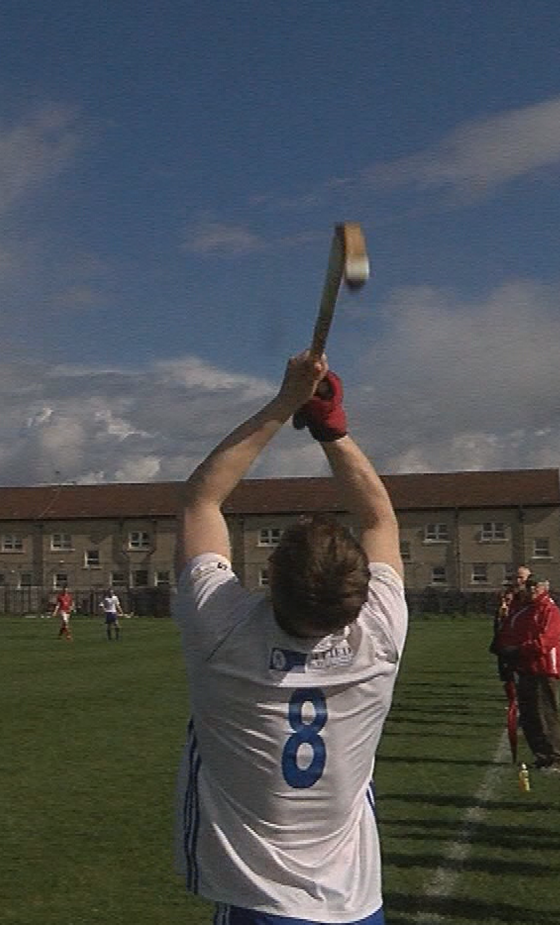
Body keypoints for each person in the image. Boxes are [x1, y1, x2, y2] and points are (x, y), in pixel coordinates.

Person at [173, 352, 406, 924]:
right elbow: (379, 519)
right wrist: (332, 428)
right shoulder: (380, 635)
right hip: (355, 907)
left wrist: (284, 402)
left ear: (270, 579)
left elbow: (202, 499)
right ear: (356, 595)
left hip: (260, 906)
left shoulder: (222, 630)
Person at [496, 578, 560, 772]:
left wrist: (519, 650)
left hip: (544, 669)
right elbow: (512, 630)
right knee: (529, 717)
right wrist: (503, 647)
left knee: (546, 716)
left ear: (545, 588)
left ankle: (556, 758)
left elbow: (547, 640)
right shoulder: (526, 610)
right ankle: (541, 755)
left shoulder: (550, 611)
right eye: (530, 587)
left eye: (537, 586)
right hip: (526, 668)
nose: (533, 590)